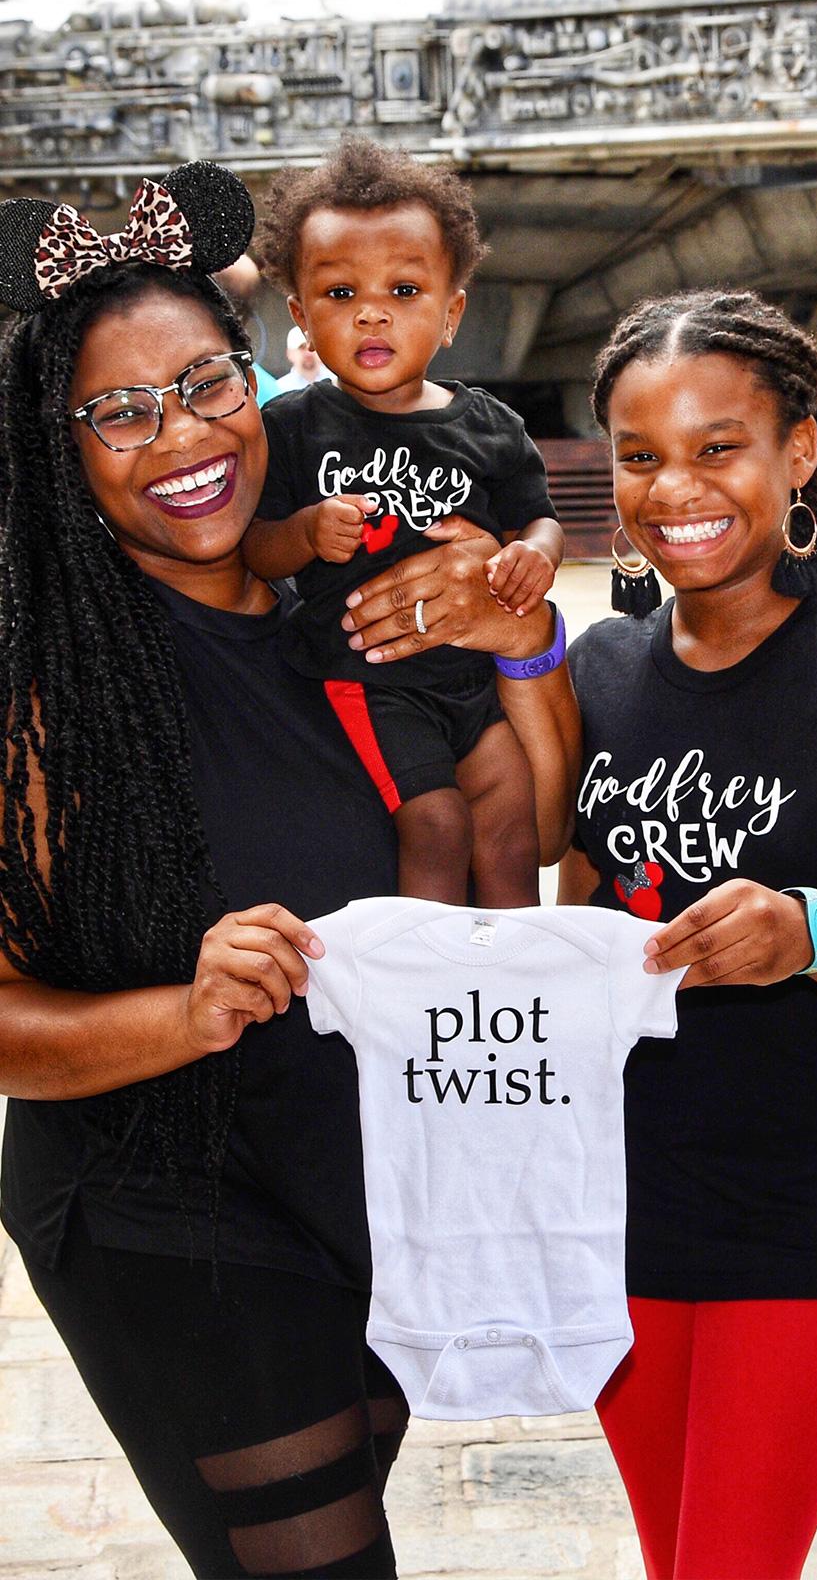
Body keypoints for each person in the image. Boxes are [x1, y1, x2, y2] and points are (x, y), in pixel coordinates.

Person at [0, 164, 564, 1578]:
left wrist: (523, 640)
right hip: (163, 1203)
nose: (178, 436)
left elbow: (536, 836)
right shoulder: (52, 683)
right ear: (59, 446)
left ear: (263, 375)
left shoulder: (343, 607)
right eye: (119, 412)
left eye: (204, 384)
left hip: (359, 1186)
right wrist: (183, 1012)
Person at [526, 290, 817, 1579]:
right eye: (641, 456)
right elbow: (570, 919)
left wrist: (815, 936)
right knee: (674, 1558)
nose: (676, 486)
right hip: (616, 1196)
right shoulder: (596, 668)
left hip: (800, 1204)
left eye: (717, 446)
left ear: (800, 450)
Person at [242, 139, 561, 908]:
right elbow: (255, 547)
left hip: (470, 681)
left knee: (512, 823)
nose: (373, 311)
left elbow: (537, 520)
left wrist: (537, 561)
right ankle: (427, 988)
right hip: (368, 680)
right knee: (438, 824)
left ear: (452, 313)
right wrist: (307, 533)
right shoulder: (289, 427)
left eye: (406, 290)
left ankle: (514, 981)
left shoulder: (489, 425)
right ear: (301, 318)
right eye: (341, 293)